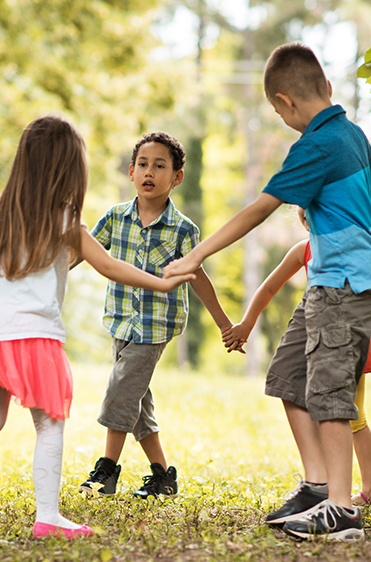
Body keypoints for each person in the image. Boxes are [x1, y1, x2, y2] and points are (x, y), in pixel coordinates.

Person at [0, 116, 196, 539]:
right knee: (50, 424)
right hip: (34, 338)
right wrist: (162, 280)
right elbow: (109, 266)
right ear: (69, 167)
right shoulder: (65, 218)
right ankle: (48, 517)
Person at [163, 43, 371, 542]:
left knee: (328, 391)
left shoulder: (317, 144)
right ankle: (319, 487)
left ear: (286, 102)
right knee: (288, 375)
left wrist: (196, 256)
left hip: (346, 282)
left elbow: (259, 209)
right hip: (330, 281)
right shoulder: (353, 134)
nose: (281, 119)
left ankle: (342, 511)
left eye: (277, 113)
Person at [78, 132, 236, 500]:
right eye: (143, 165)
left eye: (160, 166)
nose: (150, 172)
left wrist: (224, 323)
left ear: (177, 177)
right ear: (131, 172)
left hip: (156, 326)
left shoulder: (184, 229)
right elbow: (85, 252)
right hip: (120, 320)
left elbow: (198, 277)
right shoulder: (116, 217)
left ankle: (106, 469)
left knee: (120, 390)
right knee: (137, 398)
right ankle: (162, 475)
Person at [222, 208, 371, 509]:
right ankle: (323, 482)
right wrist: (246, 324)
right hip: (315, 340)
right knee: (319, 411)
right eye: (307, 216)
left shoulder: (350, 251)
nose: (312, 220)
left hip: (350, 342)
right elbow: (268, 288)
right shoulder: (303, 250)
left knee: (354, 417)